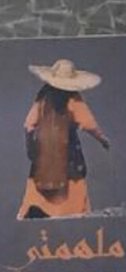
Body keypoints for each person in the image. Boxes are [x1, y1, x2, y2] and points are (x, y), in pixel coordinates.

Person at [17, 58, 111, 220]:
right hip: (68, 155)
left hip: (44, 156)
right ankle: (72, 217)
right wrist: (102, 139)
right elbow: (88, 123)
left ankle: (33, 212)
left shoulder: (43, 97)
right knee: (75, 182)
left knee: (37, 182)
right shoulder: (73, 98)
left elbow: (29, 124)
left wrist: (35, 148)